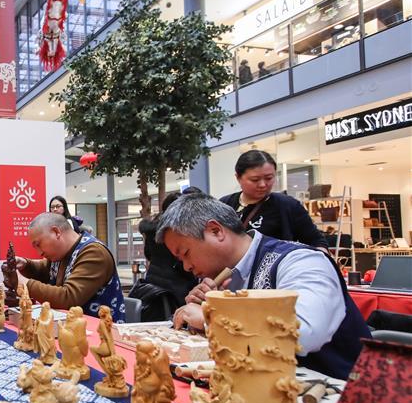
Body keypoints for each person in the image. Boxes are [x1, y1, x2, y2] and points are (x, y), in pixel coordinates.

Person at [157, 193, 370, 380]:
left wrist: (211, 318)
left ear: (215, 231)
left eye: (185, 254)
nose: (186, 267)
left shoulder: (300, 261)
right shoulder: (222, 277)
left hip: (338, 399)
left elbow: (303, 333)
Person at [5, 212, 125, 321]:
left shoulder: (94, 253)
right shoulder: (61, 254)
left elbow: (68, 298)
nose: (39, 252)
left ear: (56, 232)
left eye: (38, 244)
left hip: (101, 335)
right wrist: (25, 264)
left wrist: (21, 282)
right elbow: (45, 269)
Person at [220, 150, 327, 249]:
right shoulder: (224, 205)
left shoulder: (288, 205)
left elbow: (316, 241)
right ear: (238, 177)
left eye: (269, 178)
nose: (262, 184)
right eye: (255, 180)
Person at [130, 187, 202, 320]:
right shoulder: (178, 232)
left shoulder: (153, 229)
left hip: (153, 281)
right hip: (177, 286)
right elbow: (185, 266)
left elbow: (148, 254)